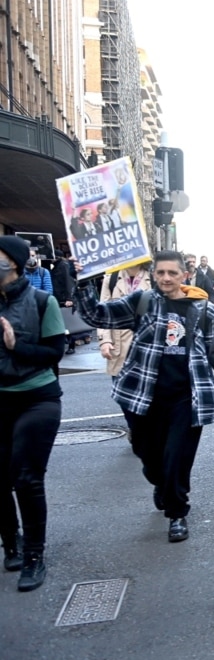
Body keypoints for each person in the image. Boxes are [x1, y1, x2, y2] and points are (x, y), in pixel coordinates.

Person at [74, 250, 214, 543]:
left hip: (186, 398)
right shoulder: (141, 302)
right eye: (161, 273)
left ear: (185, 275)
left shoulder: (206, 311)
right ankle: (161, 483)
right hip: (142, 395)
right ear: (154, 275)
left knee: (177, 459)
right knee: (149, 456)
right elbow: (97, 315)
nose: (166, 278)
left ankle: (177, 513)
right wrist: (83, 282)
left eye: (173, 273)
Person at [0, 235, 66, 591]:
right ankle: (11, 543)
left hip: (36, 398)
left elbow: (54, 353)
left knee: (26, 477)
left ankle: (34, 557)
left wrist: (16, 346)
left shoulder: (43, 301)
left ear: (14, 263)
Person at [98, 263, 152, 378]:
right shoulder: (111, 278)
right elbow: (102, 312)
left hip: (145, 345)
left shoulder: (153, 278)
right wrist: (104, 341)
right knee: (121, 392)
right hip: (119, 345)